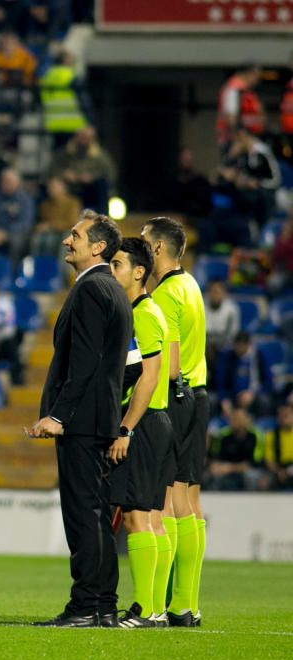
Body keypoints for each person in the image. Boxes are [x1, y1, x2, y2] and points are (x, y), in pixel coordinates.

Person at [28, 210, 132, 627]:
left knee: (83, 514)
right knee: (95, 513)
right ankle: (103, 604)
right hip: (97, 418)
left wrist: (59, 415)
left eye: (76, 235)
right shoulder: (113, 290)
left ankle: (86, 605)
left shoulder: (92, 290)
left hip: (83, 421)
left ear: (98, 247)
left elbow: (85, 363)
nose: (67, 240)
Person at [144, 216, 209, 627]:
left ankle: (156, 605)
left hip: (176, 397)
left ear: (157, 249)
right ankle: (186, 604)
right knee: (190, 501)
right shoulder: (192, 285)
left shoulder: (166, 293)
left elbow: (166, 367)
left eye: (145, 242)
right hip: (198, 395)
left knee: (167, 502)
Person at [106, 237, 175, 627]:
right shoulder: (145, 311)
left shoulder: (144, 314)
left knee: (136, 518)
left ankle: (146, 609)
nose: (112, 272)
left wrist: (126, 428)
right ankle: (156, 609)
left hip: (144, 423)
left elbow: (149, 378)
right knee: (152, 517)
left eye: (117, 264)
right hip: (158, 422)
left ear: (137, 272)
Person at [49, 127, 115, 215]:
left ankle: (102, 219)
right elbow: (51, 170)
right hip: (70, 188)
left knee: (101, 185)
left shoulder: (100, 156)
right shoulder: (64, 153)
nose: (84, 141)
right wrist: (64, 175)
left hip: (89, 190)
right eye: (82, 137)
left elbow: (110, 174)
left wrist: (92, 177)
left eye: (88, 138)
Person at [206, 407, 268, 491]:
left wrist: (229, 468)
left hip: (250, 471)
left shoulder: (256, 436)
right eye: (232, 418)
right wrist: (215, 466)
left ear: (246, 420)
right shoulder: (224, 435)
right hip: (227, 471)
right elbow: (216, 458)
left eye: (237, 418)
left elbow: (253, 463)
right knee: (212, 474)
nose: (233, 421)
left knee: (250, 476)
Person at [215, 331, 275, 418]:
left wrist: (252, 394)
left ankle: (263, 426)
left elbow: (268, 381)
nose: (239, 349)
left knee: (264, 401)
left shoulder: (259, 356)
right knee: (212, 400)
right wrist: (224, 399)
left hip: (254, 395)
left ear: (248, 344)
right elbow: (220, 382)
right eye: (237, 345)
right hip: (232, 395)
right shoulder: (227, 357)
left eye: (241, 346)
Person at [0, 168, 35, 263]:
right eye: (3, 181)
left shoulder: (25, 199)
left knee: (16, 242)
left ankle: (11, 272)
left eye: (9, 181)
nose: (5, 184)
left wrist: (5, 233)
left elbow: (25, 223)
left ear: (17, 183)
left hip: (16, 233)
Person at [39, 51, 88, 149]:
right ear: (66, 61)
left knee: (58, 154)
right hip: (73, 124)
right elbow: (84, 101)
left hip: (53, 123)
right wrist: (91, 121)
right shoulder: (70, 76)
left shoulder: (47, 77)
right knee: (73, 155)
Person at [216, 63, 264, 148]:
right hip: (237, 142)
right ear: (249, 74)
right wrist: (244, 139)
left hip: (248, 139)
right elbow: (230, 119)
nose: (257, 80)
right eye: (256, 76)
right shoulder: (234, 89)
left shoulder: (246, 90)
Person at [204, 279, 240, 387]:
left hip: (225, 348)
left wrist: (218, 345)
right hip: (206, 348)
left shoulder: (231, 310)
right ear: (208, 293)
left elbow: (233, 335)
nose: (215, 295)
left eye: (218, 292)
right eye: (213, 292)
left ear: (224, 294)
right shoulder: (201, 306)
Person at [33, 176, 81, 256]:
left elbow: (72, 222)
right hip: (49, 233)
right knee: (36, 239)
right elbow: (42, 221)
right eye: (49, 187)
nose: (50, 190)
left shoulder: (73, 202)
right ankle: (36, 265)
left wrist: (50, 225)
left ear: (63, 188)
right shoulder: (45, 204)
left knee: (65, 240)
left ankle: (60, 268)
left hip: (66, 231)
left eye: (54, 187)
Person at [265, 403, 293, 489]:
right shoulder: (271, 435)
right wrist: (279, 472)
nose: (282, 419)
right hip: (278, 469)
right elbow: (269, 460)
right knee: (264, 481)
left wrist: (288, 472)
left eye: (286, 415)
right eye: (280, 416)